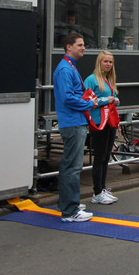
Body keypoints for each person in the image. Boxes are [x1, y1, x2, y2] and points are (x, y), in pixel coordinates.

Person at [53, 32, 98, 223]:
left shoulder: (68, 67)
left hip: (74, 120)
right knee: (73, 167)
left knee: (70, 165)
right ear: (68, 47)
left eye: (83, 44)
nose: (83, 48)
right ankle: (70, 210)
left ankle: (67, 204)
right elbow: (67, 98)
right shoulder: (65, 69)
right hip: (73, 122)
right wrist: (89, 104)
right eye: (80, 45)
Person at [83, 50, 121, 206]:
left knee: (106, 157)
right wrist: (107, 99)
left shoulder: (109, 79)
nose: (108, 64)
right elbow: (87, 100)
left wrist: (115, 100)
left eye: (110, 62)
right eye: (105, 61)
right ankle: (97, 191)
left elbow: (112, 98)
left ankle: (102, 189)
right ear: (99, 62)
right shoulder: (91, 79)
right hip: (99, 123)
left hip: (110, 122)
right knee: (99, 157)